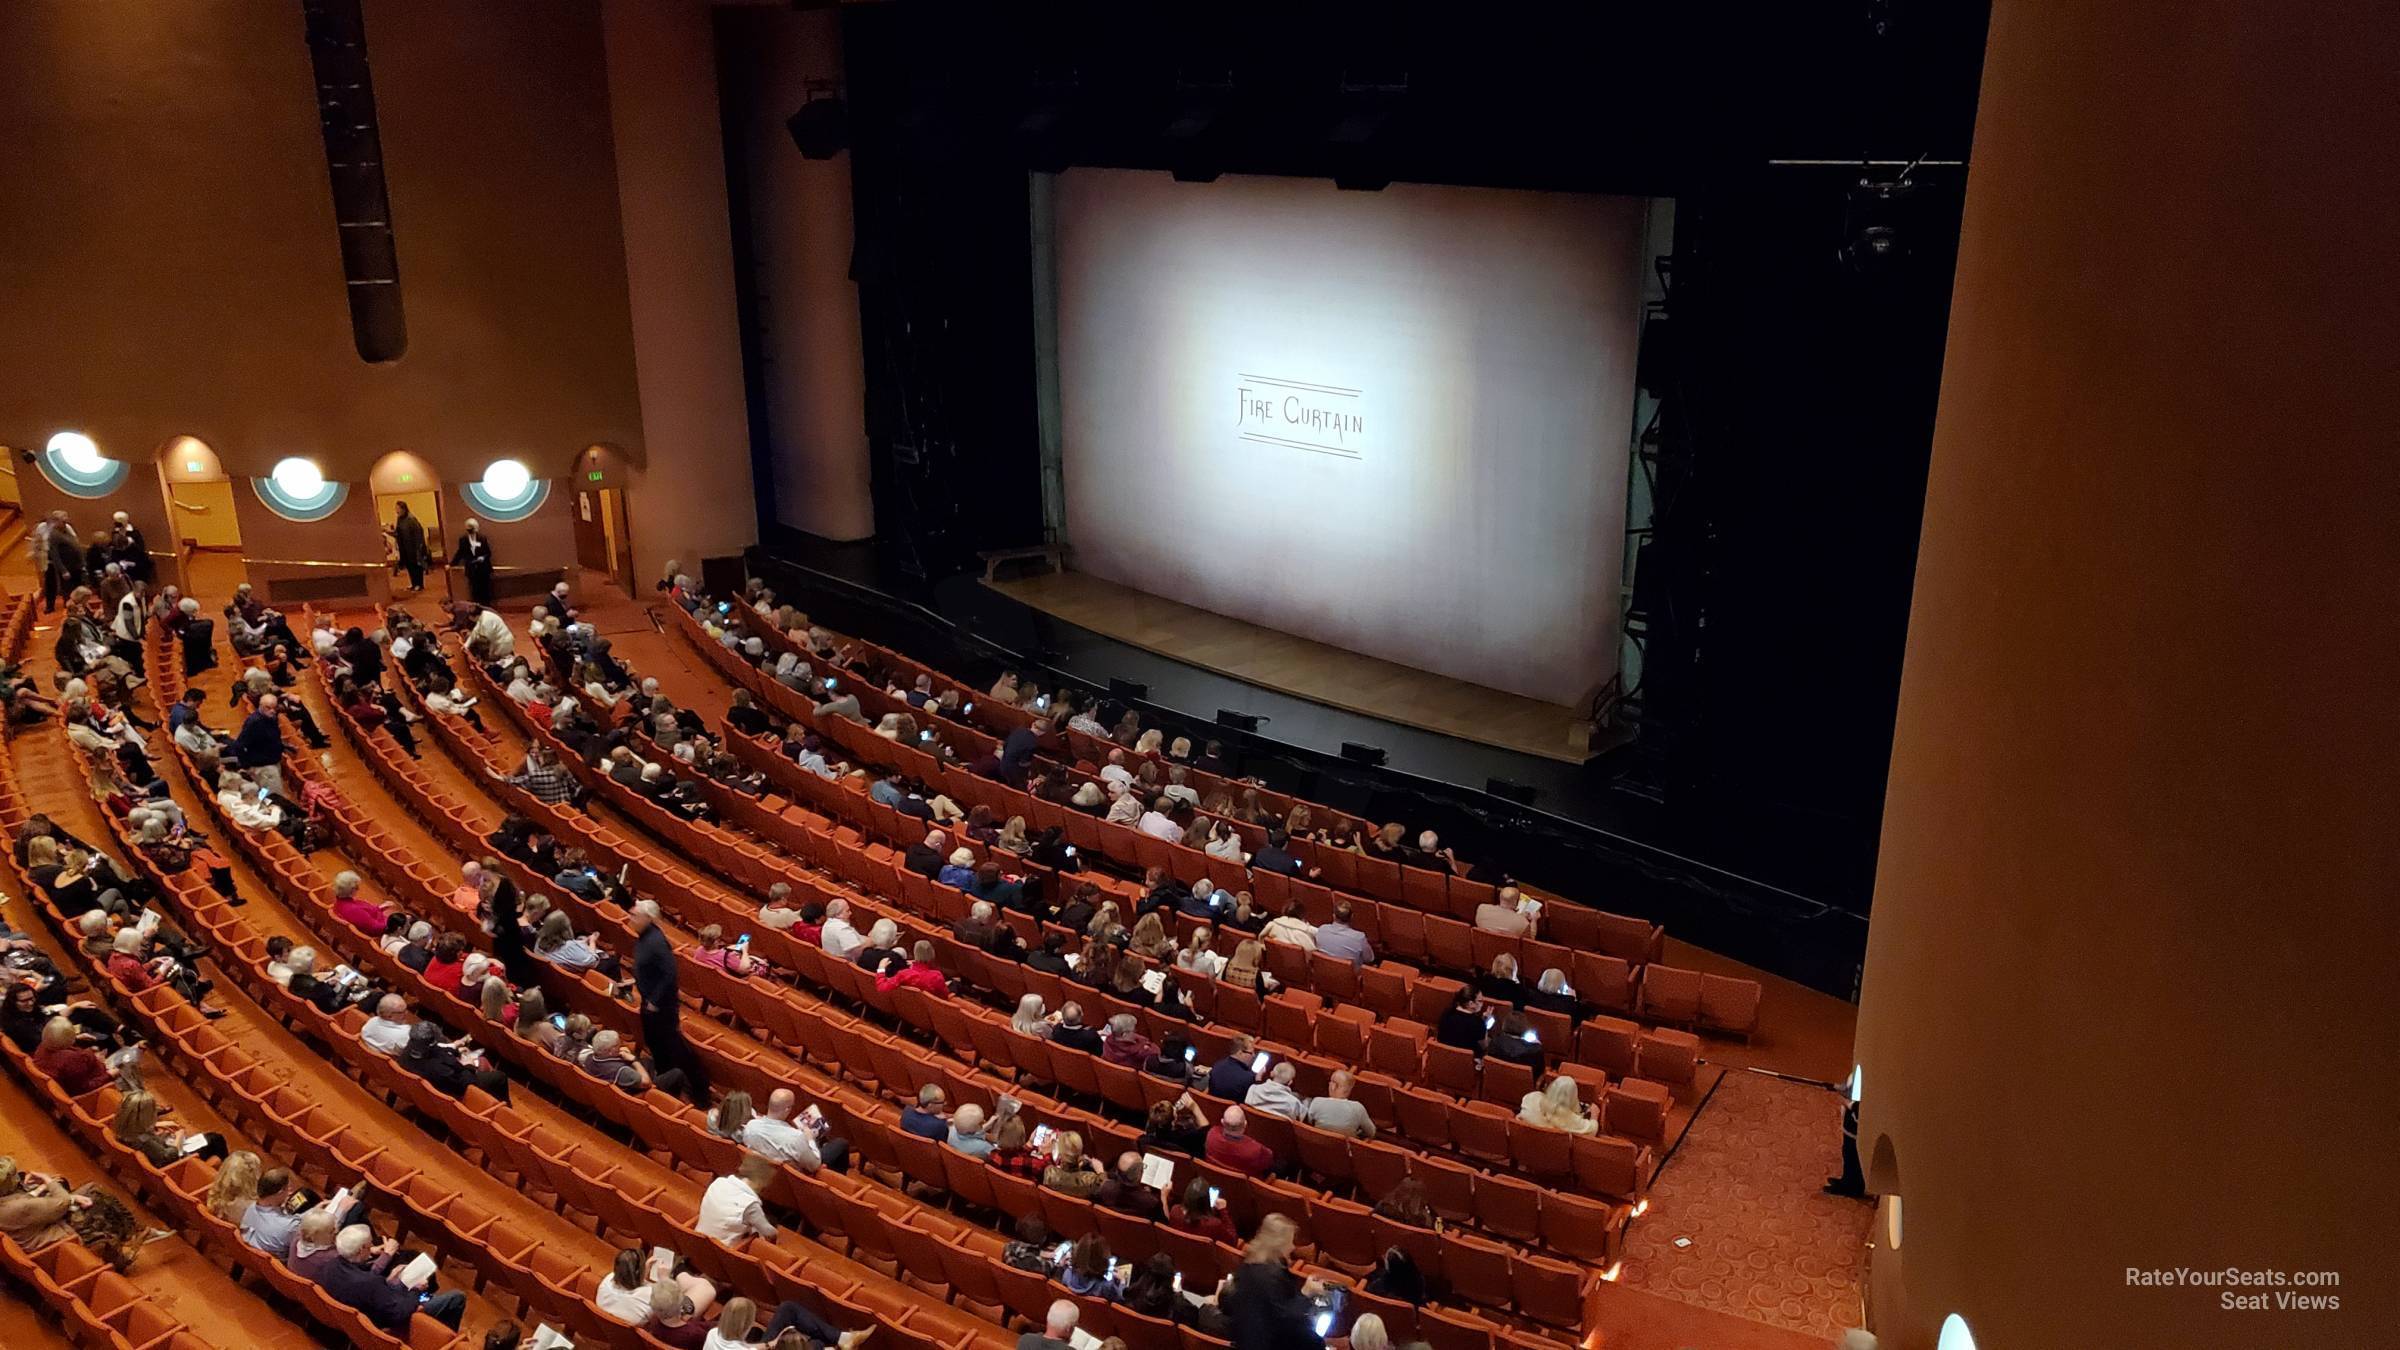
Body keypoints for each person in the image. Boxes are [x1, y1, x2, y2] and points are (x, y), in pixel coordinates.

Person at [323, 1222, 467, 1332]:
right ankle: (443, 1338)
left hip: (364, 1312)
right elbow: (400, 1314)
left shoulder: (332, 1265)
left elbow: (369, 1289)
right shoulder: (370, 1283)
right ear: (361, 1249)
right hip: (387, 1322)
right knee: (456, 1297)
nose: (372, 1247)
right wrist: (415, 1290)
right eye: (369, 1245)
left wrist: (392, 1283)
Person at [631, 899, 707, 1104]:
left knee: (673, 1048)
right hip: (649, 1004)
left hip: (660, 1008)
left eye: (636, 915)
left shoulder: (656, 941)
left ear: (648, 918)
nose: (631, 917)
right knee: (657, 1047)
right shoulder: (644, 937)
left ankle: (699, 1091)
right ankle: (667, 1085)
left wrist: (654, 1001)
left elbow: (670, 974)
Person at [1225, 1214, 1327, 1350]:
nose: (1292, 1247)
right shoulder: (1273, 1277)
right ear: (1278, 1245)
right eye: (1290, 1242)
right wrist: (1306, 1293)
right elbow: (1286, 1319)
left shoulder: (1247, 1267)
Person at [745, 1089, 847, 1173]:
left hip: (763, 1172)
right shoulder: (796, 1137)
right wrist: (810, 1140)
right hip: (793, 1174)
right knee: (841, 1143)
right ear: (787, 1109)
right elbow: (815, 1165)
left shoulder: (751, 1126)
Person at [695, 1153, 779, 1245]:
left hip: (698, 1238)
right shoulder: (750, 1205)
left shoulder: (718, 1182)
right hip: (723, 1250)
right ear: (760, 1182)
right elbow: (769, 1233)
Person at [32, 1017, 112, 1095]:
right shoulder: (71, 1060)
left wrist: (75, 1038)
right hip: (92, 1090)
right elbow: (84, 1088)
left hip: (67, 1081)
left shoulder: (43, 1045)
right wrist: (110, 1074)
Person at [1205, 1105, 1277, 1178]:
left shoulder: (1211, 1135)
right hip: (1247, 1186)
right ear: (1245, 1124)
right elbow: (1269, 1161)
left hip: (1216, 1178)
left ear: (1222, 1122)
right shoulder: (1255, 1150)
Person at [1518, 1074, 1601, 1135]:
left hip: (1526, 1143)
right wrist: (1594, 1115)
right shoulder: (1569, 1118)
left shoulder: (1532, 1097)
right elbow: (1591, 1131)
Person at [1170, 1175, 1238, 1243]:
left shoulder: (1175, 1211)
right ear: (1206, 1201)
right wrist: (1223, 1210)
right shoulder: (1214, 1224)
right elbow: (1233, 1240)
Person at [1095, 1151, 1161, 1219]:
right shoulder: (1151, 1201)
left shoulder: (1105, 1188)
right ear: (1140, 1174)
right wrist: (1164, 1197)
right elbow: (1163, 1222)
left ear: (1117, 1172)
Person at [1041, 1131, 1105, 1197]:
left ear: (1060, 1153)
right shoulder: (1090, 1180)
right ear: (1081, 1149)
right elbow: (1106, 1190)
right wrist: (1101, 1171)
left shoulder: (1049, 1173)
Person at [1061, 1232, 1123, 1299]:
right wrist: (1122, 1283)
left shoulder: (1067, 1274)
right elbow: (1120, 1301)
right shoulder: (1106, 1287)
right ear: (1103, 1259)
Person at [450, 520, 496, 606]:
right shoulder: (463, 539)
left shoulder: (482, 538)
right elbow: (460, 553)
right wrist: (452, 564)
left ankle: (487, 607)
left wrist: (483, 557)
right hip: (471, 569)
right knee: (474, 591)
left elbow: (488, 553)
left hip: (483, 569)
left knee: (485, 590)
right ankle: (477, 607)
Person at [388, 501, 430, 591]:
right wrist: (388, 532)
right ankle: (413, 583)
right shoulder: (399, 519)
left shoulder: (411, 519)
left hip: (413, 547)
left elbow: (418, 533)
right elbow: (398, 533)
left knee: (416, 566)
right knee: (409, 566)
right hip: (404, 547)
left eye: (398, 509)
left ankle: (419, 584)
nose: (396, 511)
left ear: (403, 509)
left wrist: (419, 548)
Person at [1473, 885, 1540, 939]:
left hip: (1484, 945)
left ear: (1500, 897)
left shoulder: (1481, 908)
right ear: (1517, 902)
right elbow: (1530, 940)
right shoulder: (1523, 923)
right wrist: (1534, 920)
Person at [1208, 1034, 1259, 1102]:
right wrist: (1258, 1081)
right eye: (1251, 1053)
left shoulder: (1217, 1065)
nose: (1254, 1056)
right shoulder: (1248, 1078)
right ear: (1240, 1053)